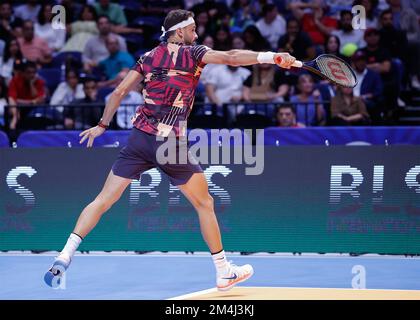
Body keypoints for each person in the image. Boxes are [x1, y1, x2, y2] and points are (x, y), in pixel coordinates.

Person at [44, 9, 296, 291]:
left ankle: (65, 254)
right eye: (192, 30)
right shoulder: (193, 53)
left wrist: (102, 125)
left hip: (139, 139)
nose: (196, 34)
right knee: (205, 204)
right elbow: (232, 57)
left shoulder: (148, 58)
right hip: (169, 144)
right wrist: (271, 57)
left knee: (103, 200)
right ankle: (224, 271)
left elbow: (118, 93)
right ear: (180, 32)